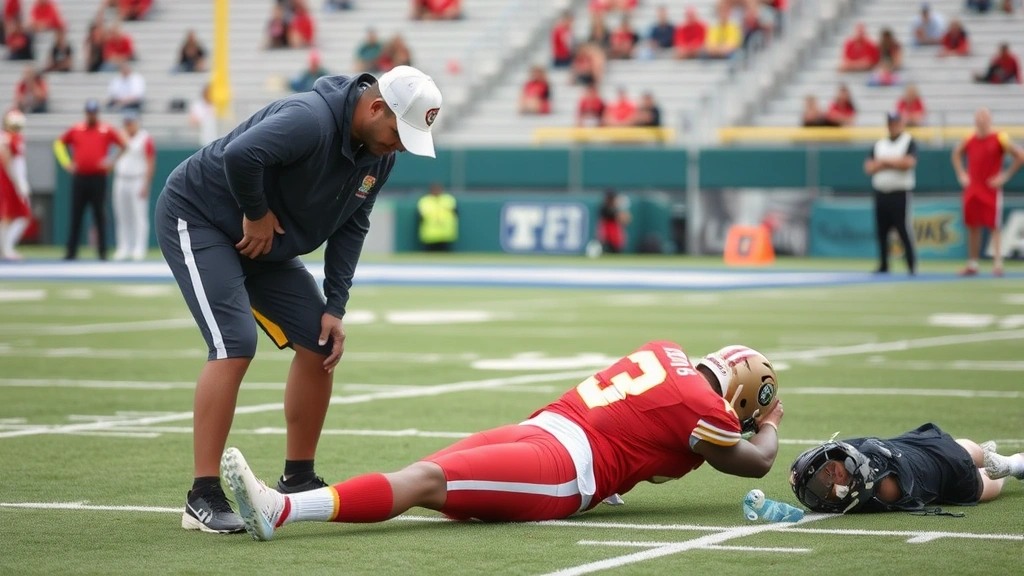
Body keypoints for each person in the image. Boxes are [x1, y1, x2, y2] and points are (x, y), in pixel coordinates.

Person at [155, 66, 442, 534]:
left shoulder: (379, 156)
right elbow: (240, 154)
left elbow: (353, 224)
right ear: (374, 108)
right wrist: (256, 214)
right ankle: (201, 495)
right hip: (201, 216)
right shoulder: (310, 118)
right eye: (398, 131)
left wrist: (335, 305)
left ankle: (297, 478)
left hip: (266, 243)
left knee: (321, 342)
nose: (401, 145)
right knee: (234, 343)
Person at [221, 342, 785, 540]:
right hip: (563, 457)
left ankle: (284, 508)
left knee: (423, 478)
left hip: (545, 432)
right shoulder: (706, 410)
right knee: (424, 480)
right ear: (739, 397)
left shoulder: (665, 351)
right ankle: (282, 509)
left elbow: (644, 434)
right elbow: (757, 463)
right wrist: (770, 424)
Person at [790, 424, 1022, 513]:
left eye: (828, 469)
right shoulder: (865, 475)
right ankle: (1003, 461)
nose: (831, 475)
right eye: (825, 483)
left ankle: (1011, 464)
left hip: (942, 467)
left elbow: (859, 486)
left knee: (979, 485)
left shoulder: (867, 481)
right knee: (963, 453)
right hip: (931, 454)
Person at [951, 108, 1024, 277]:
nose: (982, 120)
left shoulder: (999, 138)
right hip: (973, 188)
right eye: (979, 117)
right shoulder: (969, 138)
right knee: (972, 225)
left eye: (985, 117)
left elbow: (1020, 155)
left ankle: (998, 263)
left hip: (990, 188)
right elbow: (956, 154)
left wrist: (1004, 176)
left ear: (990, 119)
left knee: (994, 225)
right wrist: (961, 174)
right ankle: (973, 263)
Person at [54, 99, 127, 261]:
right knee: (76, 215)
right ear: (86, 113)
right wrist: (66, 163)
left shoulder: (106, 129)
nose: (92, 115)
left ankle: (102, 252)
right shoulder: (76, 129)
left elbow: (124, 144)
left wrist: (111, 161)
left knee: (99, 215)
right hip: (80, 178)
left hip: (98, 178)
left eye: (94, 112)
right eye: (89, 112)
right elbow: (59, 144)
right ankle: (71, 252)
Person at [864, 112, 917, 276]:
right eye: (890, 122)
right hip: (881, 192)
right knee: (881, 231)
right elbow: (869, 167)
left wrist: (884, 162)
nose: (892, 125)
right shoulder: (880, 144)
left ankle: (910, 264)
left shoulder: (908, 141)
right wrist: (894, 162)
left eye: (894, 122)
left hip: (900, 193)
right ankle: (884, 264)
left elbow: (908, 163)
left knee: (902, 229)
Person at [111, 111, 154, 261]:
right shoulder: (119, 136)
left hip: (137, 179)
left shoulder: (145, 138)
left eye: (131, 122)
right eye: (126, 122)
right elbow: (113, 157)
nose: (128, 126)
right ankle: (123, 247)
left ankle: (139, 247)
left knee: (139, 215)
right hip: (121, 179)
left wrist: (146, 184)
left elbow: (150, 162)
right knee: (122, 215)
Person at [0, 110, 32, 261]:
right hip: (8, 181)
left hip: (13, 180)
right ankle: (6, 248)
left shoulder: (16, 137)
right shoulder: (6, 138)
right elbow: (7, 159)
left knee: (11, 215)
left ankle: (6, 248)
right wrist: (18, 182)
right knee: (13, 215)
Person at [416, 182, 457, 252]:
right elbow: (420, 216)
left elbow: (456, 213)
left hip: (445, 234)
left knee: (445, 256)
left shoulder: (448, 200)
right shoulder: (425, 201)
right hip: (429, 234)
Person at [597, 189, 631, 253]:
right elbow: (618, 217)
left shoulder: (615, 208)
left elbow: (626, 220)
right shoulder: (604, 209)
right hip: (607, 235)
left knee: (616, 252)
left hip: (615, 236)